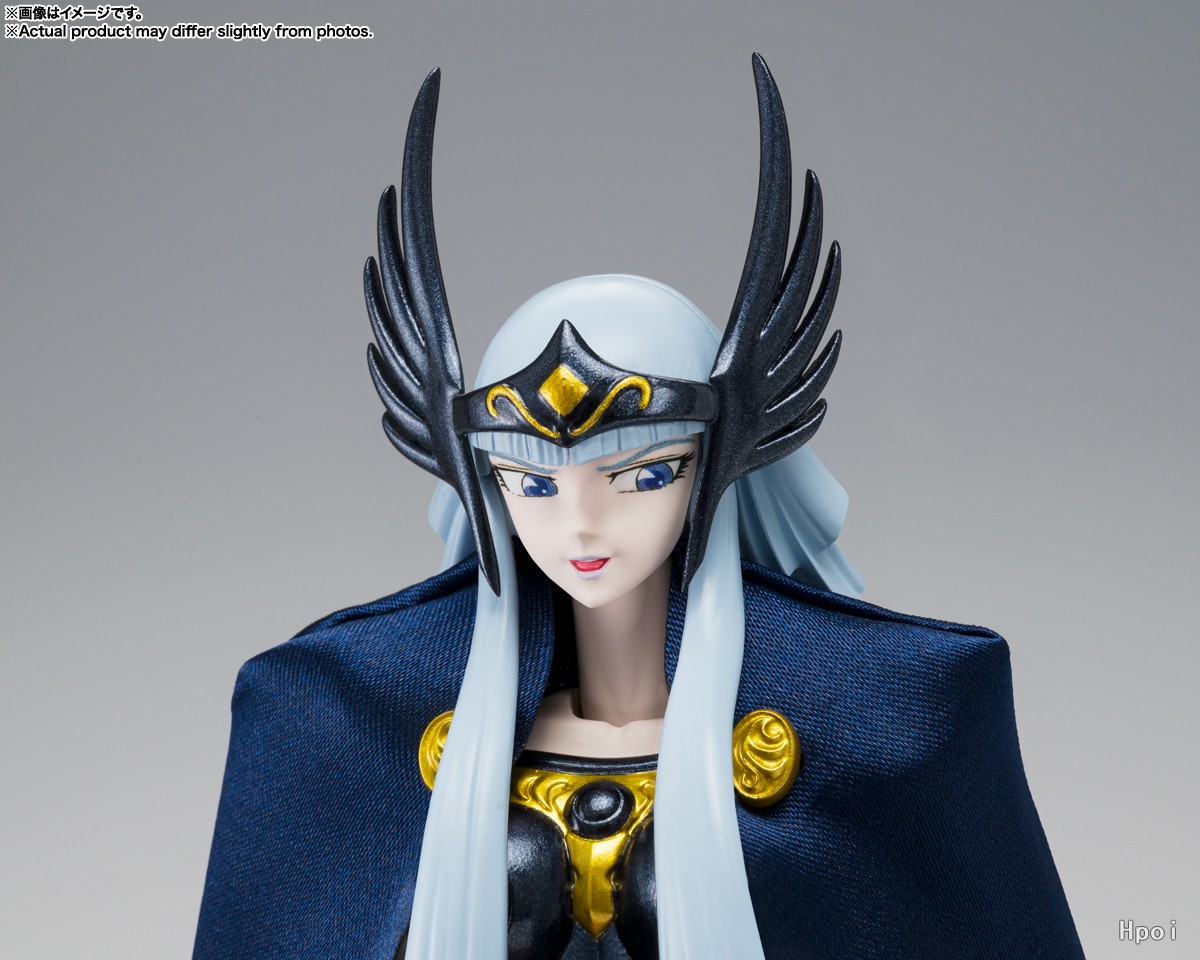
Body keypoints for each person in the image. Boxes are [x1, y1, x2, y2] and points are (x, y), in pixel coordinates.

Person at [194, 58, 1084, 960]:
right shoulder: (348, 715)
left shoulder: (883, 719)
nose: (581, 523)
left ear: (715, 469)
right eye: (532, 482)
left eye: (642, 475)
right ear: (485, 487)